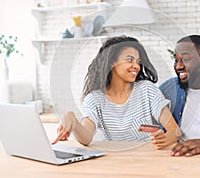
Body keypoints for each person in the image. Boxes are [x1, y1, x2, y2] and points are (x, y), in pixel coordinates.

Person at [52, 36, 181, 149]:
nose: (136, 66)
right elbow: (86, 138)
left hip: (147, 157)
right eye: (130, 60)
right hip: (114, 160)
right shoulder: (95, 99)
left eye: (138, 62)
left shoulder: (147, 90)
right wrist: (72, 120)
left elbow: (175, 131)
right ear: (112, 62)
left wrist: (163, 140)